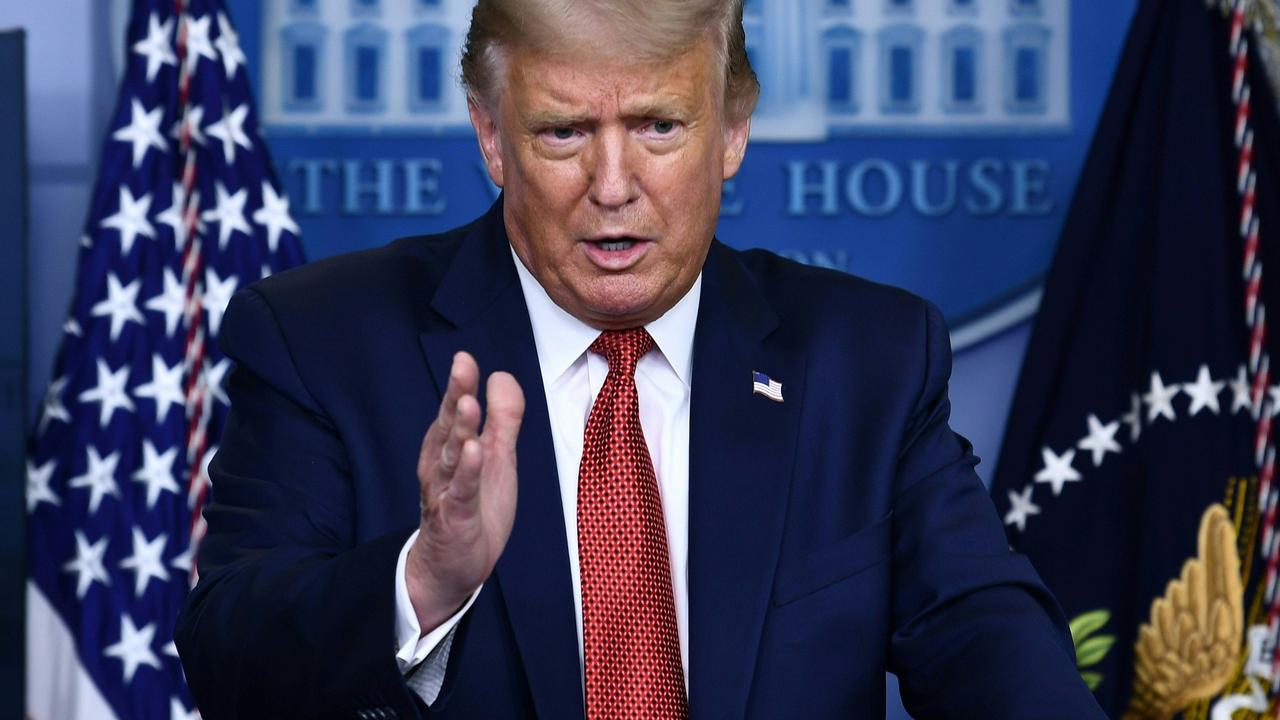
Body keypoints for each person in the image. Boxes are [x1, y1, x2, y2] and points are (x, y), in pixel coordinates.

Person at [175, 1, 1106, 717]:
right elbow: (229, 662)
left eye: (660, 126)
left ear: (733, 129)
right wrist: (425, 580)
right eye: (563, 132)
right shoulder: (323, 341)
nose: (612, 187)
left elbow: (985, 632)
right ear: (491, 136)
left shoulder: (868, 360)